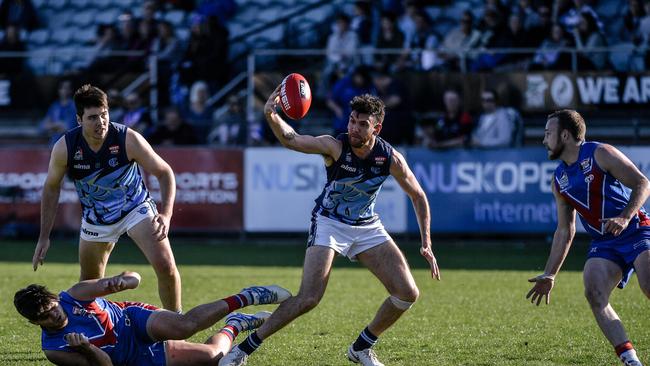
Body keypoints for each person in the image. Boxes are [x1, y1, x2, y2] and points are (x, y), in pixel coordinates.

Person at [219, 91, 440, 366]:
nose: (354, 128)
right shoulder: (335, 146)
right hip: (329, 223)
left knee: (407, 293)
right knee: (309, 298)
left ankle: (361, 347)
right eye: (352, 121)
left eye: (362, 124)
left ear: (376, 128)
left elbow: (418, 196)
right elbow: (292, 140)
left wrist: (426, 243)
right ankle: (242, 350)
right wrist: (271, 114)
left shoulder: (389, 158)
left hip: (366, 226)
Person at [31, 84, 183, 312]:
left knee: (166, 266)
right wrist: (44, 237)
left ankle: (176, 323)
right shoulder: (65, 147)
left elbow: (164, 172)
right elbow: (51, 188)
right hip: (96, 218)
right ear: (79, 120)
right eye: (92, 117)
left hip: (136, 208)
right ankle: (96, 332)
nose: (100, 122)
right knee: (89, 284)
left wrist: (166, 214)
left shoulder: (127, 138)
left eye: (104, 115)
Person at [527, 110, 650, 366]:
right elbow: (565, 230)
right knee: (594, 292)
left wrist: (625, 217)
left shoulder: (599, 153)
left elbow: (642, 183)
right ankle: (631, 361)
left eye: (548, 134)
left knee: (649, 285)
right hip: (605, 242)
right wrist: (550, 274)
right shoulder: (559, 180)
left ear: (565, 135)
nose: (544, 140)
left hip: (636, 228)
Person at [14, 271, 291, 365]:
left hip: (131, 319)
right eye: (45, 316)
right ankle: (237, 323)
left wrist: (123, 281)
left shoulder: (74, 295)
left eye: (52, 306)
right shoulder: (54, 349)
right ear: (35, 323)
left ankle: (245, 297)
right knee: (214, 357)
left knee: (184, 326)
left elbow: (131, 278)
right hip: (133, 358)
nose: (55, 313)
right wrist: (86, 348)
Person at [41, 80, 78, 146]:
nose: (64, 90)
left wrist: (52, 127)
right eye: (62, 88)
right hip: (54, 145)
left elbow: (69, 128)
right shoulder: (54, 106)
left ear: (71, 90)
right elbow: (43, 126)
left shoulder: (74, 107)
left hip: (70, 146)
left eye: (67, 88)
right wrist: (58, 125)